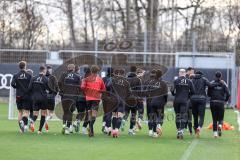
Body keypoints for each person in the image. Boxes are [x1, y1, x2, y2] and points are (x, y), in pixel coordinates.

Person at [81, 65, 106, 137]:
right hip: (96, 99)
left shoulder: (86, 79)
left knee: (89, 115)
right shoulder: (100, 79)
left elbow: (82, 87)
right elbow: (103, 89)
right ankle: (91, 130)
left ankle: (91, 130)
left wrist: (86, 91)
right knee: (94, 115)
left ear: (91, 71)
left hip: (88, 98)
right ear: (98, 71)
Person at [171, 69, 195, 139]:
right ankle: (181, 130)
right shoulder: (189, 81)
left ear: (179, 73)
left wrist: (174, 94)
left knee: (178, 116)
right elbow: (193, 91)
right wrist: (188, 95)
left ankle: (178, 130)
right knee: (183, 116)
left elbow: (172, 90)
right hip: (185, 100)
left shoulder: (176, 80)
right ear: (185, 74)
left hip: (177, 100)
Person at [106, 68, 131, 138]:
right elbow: (129, 93)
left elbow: (107, 86)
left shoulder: (113, 80)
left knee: (114, 115)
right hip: (121, 101)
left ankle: (112, 129)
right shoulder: (126, 82)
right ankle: (116, 130)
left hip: (113, 100)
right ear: (124, 74)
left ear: (118, 73)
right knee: (119, 116)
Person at [28, 66, 52, 134]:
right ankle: (39, 130)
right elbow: (50, 89)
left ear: (39, 70)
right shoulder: (46, 79)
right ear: (44, 71)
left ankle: (32, 121)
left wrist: (34, 94)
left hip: (35, 98)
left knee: (35, 114)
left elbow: (29, 88)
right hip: (43, 98)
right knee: (43, 114)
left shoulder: (33, 78)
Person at [58, 64, 81, 135]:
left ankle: (64, 125)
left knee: (65, 111)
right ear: (73, 69)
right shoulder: (77, 76)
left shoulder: (63, 75)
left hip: (64, 96)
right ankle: (67, 129)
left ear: (68, 68)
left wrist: (61, 90)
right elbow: (80, 87)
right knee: (70, 112)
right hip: (72, 97)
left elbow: (59, 83)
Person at [145, 69, 168, 138]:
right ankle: (159, 125)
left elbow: (147, 92)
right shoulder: (163, 83)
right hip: (160, 102)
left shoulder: (151, 82)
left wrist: (151, 99)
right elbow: (166, 95)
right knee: (160, 116)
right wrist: (165, 102)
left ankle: (154, 132)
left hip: (152, 102)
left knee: (153, 117)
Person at [11, 61, 32, 133]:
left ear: (19, 67)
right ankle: (23, 122)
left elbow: (12, 84)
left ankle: (21, 129)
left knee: (20, 112)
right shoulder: (29, 75)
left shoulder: (16, 75)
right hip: (26, 95)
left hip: (18, 95)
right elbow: (31, 86)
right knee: (26, 112)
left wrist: (18, 88)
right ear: (25, 66)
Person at [208, 71, 230, 138]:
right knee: (220, 118)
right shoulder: (223, 84)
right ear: (221, 76)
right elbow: (228, 93)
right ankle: (220, 126)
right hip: (220, 102)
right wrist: (225, 100)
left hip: (213, 102)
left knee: (214, 119)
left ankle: (215, 134)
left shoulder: (211, 83)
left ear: (215, 76)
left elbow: (208, 94)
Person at [191, 70, 212, 137]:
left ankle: (195, 131)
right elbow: (210, 85)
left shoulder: (192, 80)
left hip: (193, 99)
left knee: (195, 116)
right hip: (202, 99)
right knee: (201, 116)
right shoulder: (204, 79)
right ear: (201, 74)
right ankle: (199, 128)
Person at [123, 65, 142, 136]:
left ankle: (123, 120)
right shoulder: (138, 80)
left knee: (126, 112)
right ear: (135, 70)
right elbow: (140, 91)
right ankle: (130, 130)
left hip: (127, 98)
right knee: (133, 114)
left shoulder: (126, 79)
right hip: (134, 99)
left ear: (130, 70)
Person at [73, 65, 87, 133]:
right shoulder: (85, 78)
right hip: (83, 98)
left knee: (80, 112)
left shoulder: (79, 77)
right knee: (83, 113)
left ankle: (76, 124)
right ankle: (76, 122)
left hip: (77, 98)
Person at [45, 65, 59, 132]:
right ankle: (46, 120)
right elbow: (57, 87)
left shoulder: (43, 77)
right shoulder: (53, 77)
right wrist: (54, 94)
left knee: (45, 112)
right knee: (51, 114)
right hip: (51, 97)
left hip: (44, 97)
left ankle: (45, 125)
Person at [101, 67, 114, 135]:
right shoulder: (114, 79)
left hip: (104, 97)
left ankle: (104, 125)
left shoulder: (103, 79)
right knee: (110, 113)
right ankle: (107, 127)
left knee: (106, 112)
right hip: (111, 97)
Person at [185, 67, 195, 135]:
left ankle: (190, 129)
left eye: (193, 72)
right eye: (192, 71)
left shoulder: (193, 78)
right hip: (186, 99)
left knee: (189, 115)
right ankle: (188, 129)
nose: (193, 73)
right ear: (188, 71)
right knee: (188, 115)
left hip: (191, 99)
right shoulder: (185, 79)